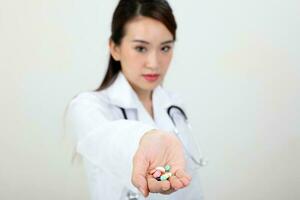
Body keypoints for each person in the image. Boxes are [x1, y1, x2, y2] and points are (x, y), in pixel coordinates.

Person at [65, 0, 204, 199]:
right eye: (141, 48)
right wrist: (145, 139)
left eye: (165, 48)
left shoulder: (173, 105)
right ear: (115, 48)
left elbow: (191, 188)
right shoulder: (87, 107)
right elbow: (108, 140)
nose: (154, 63)